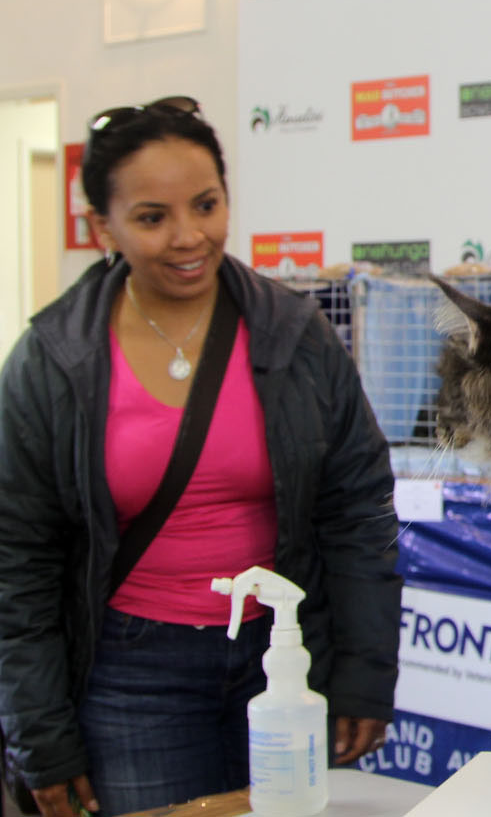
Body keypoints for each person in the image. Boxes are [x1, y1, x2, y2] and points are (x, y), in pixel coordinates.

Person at [0, 97, 403, 816]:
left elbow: (356, 513)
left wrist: (364, 677)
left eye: (207, 205)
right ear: (103, 227)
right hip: (131, 677)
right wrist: (40, 734)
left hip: (283, 659)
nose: (189, 236)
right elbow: (17, 561)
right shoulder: (53, 359)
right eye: (152, 217)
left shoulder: (294, 333)